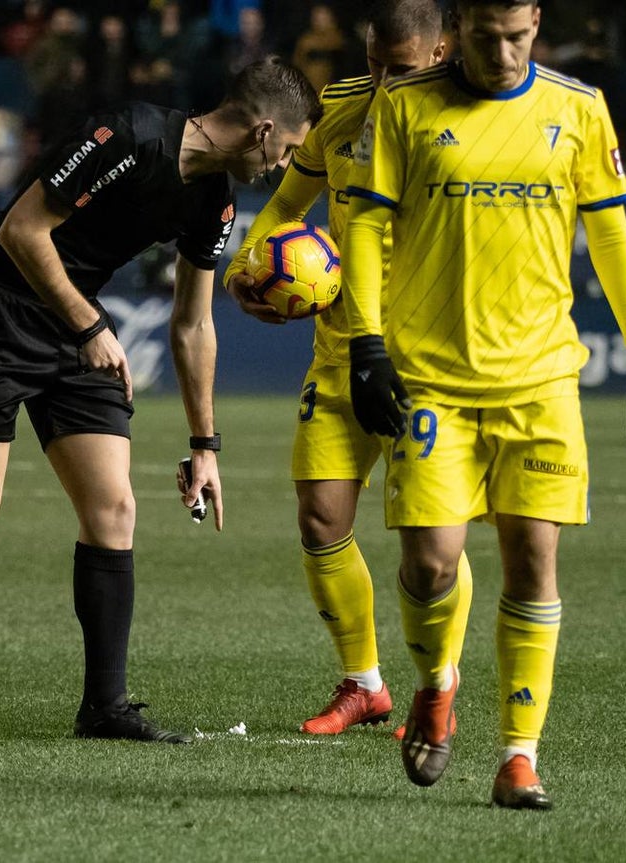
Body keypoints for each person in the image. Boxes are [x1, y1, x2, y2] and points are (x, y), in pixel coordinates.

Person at [0, 56, 321, 744]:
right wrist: (90, 324)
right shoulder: (126, 136)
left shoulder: (212, 200)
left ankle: (104, 706)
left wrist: (205, 444)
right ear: (265, 129)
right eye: (289, 149)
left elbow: (193, 324)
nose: (283, 165)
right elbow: (21, 232)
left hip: (74, 324)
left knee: (114, 507)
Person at [342, 0, 626, 808]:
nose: (502, 52)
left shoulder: (577, 110)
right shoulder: (405, 106)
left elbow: (611, 237)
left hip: (540, 381)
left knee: (534, 557)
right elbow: (360, 226)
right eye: (486, 37)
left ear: (537, 26)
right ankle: (437, 681)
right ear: (460, 29)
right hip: (432, 377)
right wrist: (366, 342)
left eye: (518, 37)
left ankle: (520, 755)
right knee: (428, 562)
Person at [225, 0, 472, 738]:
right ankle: (364, 682)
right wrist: (247, 269)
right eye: (372, 63)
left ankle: (440, 685)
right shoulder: (343, 109)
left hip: (428, 359)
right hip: (340, 351)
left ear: (440, 52)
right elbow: (283, 206)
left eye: (399, 68)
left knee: (433, 538)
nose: (382, 80)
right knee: (320, 514)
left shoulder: (469, 124)